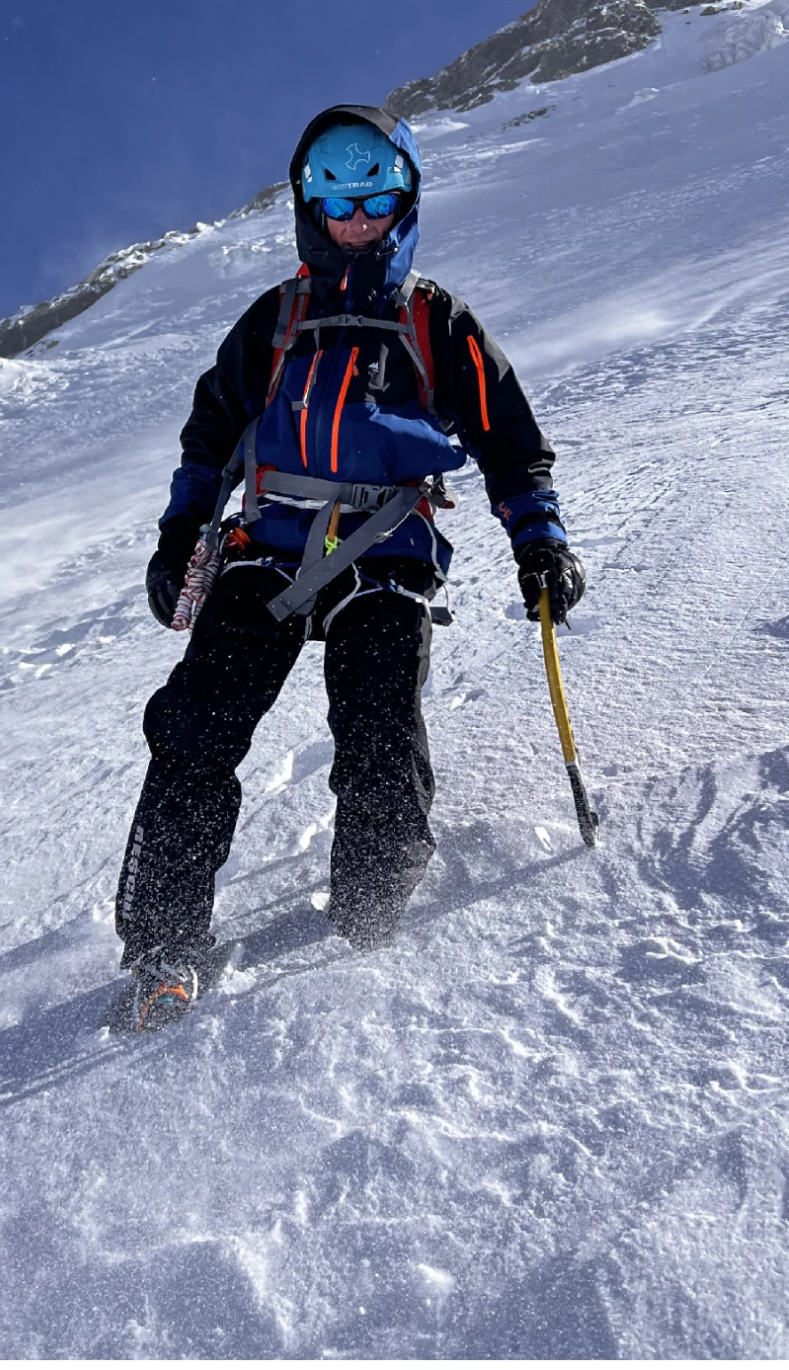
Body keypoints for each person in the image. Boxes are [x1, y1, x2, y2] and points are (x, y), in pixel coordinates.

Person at [113, 104, 585, 1031]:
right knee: (197, 724)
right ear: (310, 209)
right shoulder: (277, 318)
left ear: (404, 202)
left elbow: (511, 446)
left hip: (387, 548)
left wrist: (540, 540)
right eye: (337, 203)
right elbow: (209, 440)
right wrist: (179, 536)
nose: (357, 222)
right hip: (267, 545)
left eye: (375, 201)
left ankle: (373, 912)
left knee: (378, 725)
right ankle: (166, 941)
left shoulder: (437, 320)